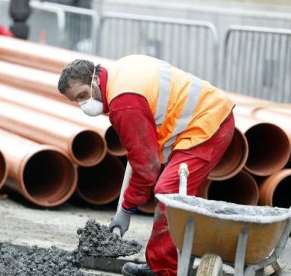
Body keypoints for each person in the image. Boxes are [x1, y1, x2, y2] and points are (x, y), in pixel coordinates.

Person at [57, 55, 235, 276]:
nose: (84, 104)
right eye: (77, 101)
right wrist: (126, 207)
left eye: (83, 95)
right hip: (204, 116)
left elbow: (147, 168)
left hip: (209, 123)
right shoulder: (118, 74)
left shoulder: (124, 103)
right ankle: (161, 265)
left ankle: (164, 271)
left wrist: (126, 209)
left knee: (168, 193)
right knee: (172, 195)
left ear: (94, 80)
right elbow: (139, 153)